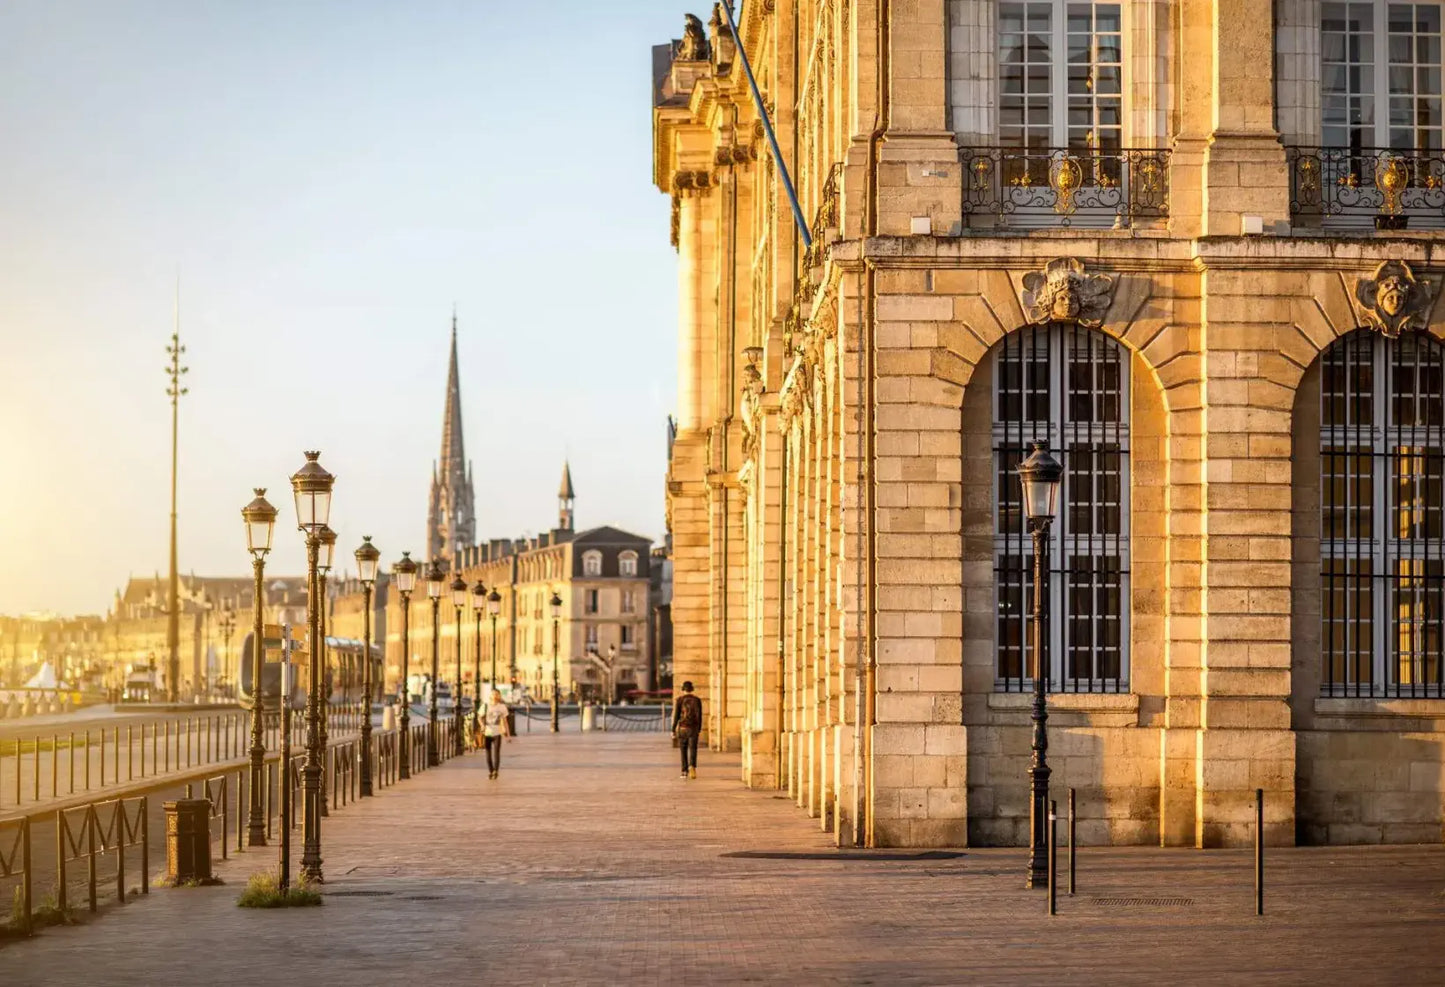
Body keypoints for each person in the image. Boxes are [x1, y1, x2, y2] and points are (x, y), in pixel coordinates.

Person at [672, 681, 702, 779]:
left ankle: (684, 771)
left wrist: (673, 729)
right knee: (693, 749)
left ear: (683, 689)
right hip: (693, 728)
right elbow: (699, 716)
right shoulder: (697, 700)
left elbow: (676, 716)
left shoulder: (679, 700)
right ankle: (692, 767)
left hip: (683, 728)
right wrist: (699, 729)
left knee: (683, 750)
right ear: (692, 689)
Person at [480, 688, 511, 779]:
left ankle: (496, 771)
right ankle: (491, 770)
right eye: (493, 694)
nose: (495, 696)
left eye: (497, 694)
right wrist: (482, 725)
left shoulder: (502, 707)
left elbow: (505, 722)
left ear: (499, 696)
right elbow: (479, 717)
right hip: (487, 733)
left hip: (497, 733)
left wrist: (508, 735)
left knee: (496, 753)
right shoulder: (485, 706)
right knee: (488, 753)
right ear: (490, 696)